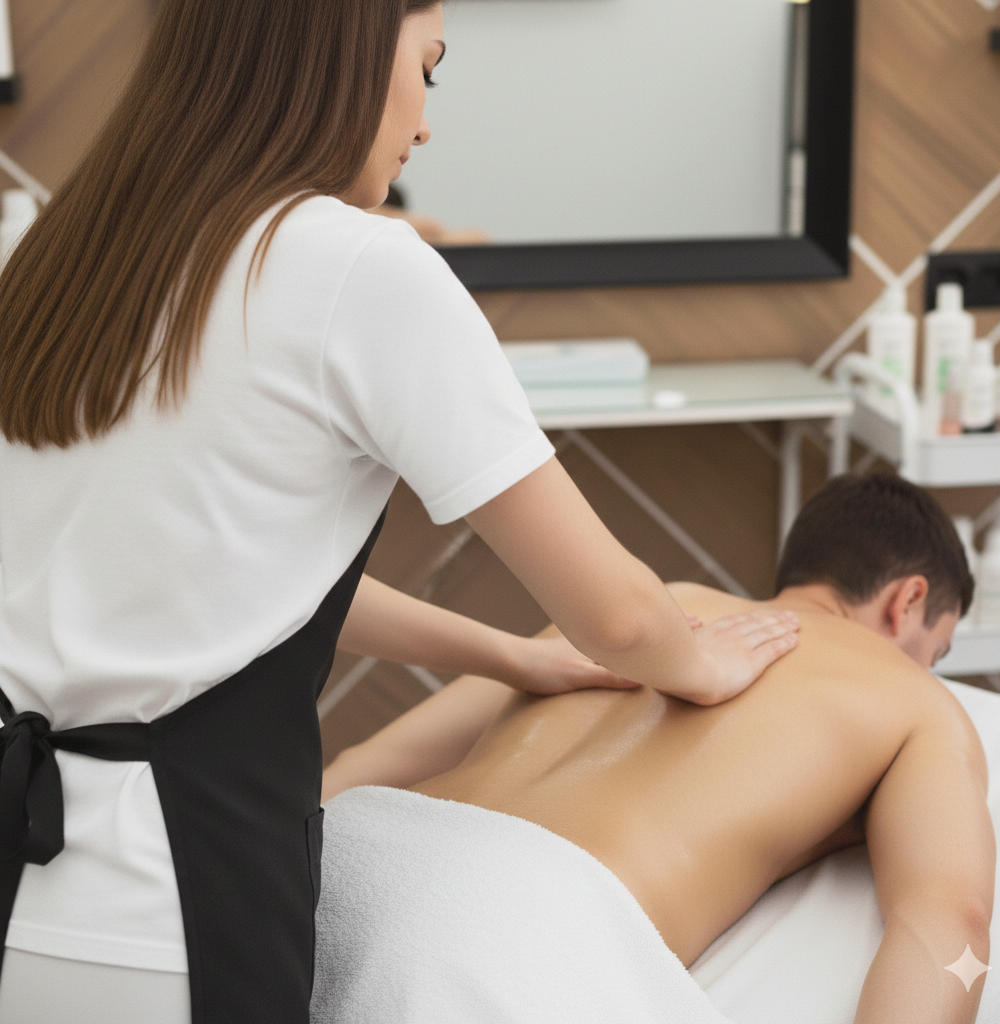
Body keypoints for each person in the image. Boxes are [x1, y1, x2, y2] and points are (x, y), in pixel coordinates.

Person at [0, 2, 799, 1023]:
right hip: (176, 903)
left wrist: (508, 655)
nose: (425, 123)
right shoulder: (359, 266)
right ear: (337, 53)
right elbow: (622, 615)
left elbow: (241, 579)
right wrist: (703, 657)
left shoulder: (71, 249)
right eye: (430, 67)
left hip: (27, 887)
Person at [315, 473, 996, 1024]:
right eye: (934, 651)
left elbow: (356, 769)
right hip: (516, 930)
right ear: (908, 601)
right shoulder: (916, 701)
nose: (927, 669)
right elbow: (948, 921)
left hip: (342, 857)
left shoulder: (645, 612)